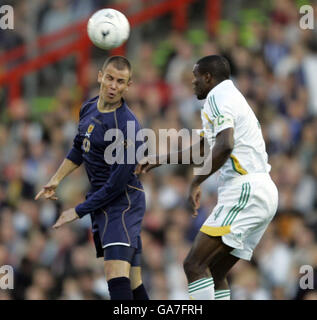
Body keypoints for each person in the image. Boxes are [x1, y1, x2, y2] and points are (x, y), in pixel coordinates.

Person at [136, 55, 278, 300]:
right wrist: (162, 158)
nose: (193, 83)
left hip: (246, 189)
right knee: (212, 271)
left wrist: (196, 181)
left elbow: (225, 146)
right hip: (260, 190)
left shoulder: (216, 97)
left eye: (196, 78)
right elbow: (205, 147)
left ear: (208, 78)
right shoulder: (231, 96)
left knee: (193, 265)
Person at [35, 56, 149, 300]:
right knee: (132, 281)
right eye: (109, 78)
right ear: (100, 76)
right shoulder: (88, 107)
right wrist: (56, 179)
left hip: (123, 203)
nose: (113, 85)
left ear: (128, 86)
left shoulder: (127, 126)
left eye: (120, 81)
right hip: (104, 202)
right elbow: (79, 147)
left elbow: (117, 184)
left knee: (115, 275)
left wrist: (78, 210)